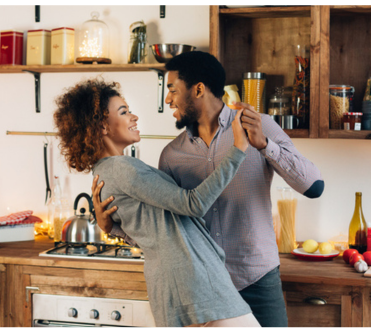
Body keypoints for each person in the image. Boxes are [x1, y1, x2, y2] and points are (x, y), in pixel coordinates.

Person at [93, 51, 324, 327]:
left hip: (258, 280)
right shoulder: (171, 155)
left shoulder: (259, 126)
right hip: (204, 291)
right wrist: (112, 227)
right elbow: (166, 234)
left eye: (172, 90)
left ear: (199, 89)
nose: (168, 100)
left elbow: (313, 185)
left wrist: (264, 145)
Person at [53, 78, 260, 327]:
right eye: (124, 111)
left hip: (179, 289)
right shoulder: (122, 170)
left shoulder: (107, 172)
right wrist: (238, 148)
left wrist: (110, 228)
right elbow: (193, 203)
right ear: (102, 127)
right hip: (196, 287)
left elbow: (150, 231)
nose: (134, 117)